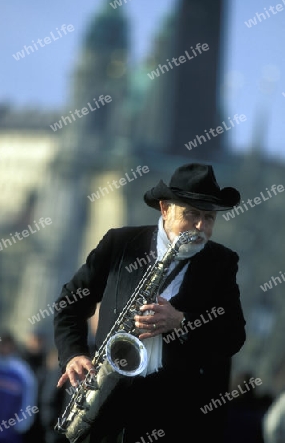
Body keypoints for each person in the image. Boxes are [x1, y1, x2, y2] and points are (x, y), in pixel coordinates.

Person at [53, 163, 246, 443]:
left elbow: (234, 336)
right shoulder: (120, 244)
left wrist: (181, 322)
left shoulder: (222, 263)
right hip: (108, 404)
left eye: (209, 217)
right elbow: (70, 304)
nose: (201, 227)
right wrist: (73, 354)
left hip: (176, 414)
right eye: (192, 214)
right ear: (165, 209)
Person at [0, 331, 38, 443]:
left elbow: (29, 400)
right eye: (2, 344)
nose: (5, 348)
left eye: (8, 345)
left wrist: (22, 424)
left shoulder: (23, 372)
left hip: (10, 433)